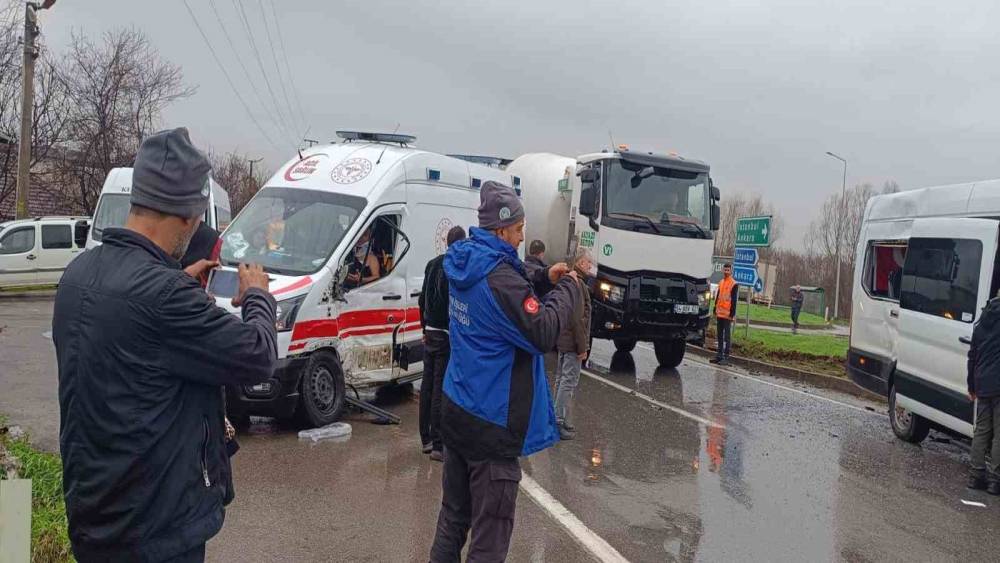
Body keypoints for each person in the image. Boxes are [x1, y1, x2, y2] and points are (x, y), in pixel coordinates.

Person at [52, 128, 278, 563]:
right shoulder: (164, 297)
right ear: (187, 215)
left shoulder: (78, 276)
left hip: (95, 518)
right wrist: (257, 295)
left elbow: (136, 345)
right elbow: (258, 355)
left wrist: (179, 283)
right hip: (156, 533)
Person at [430, 181, 579, 562]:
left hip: (457, 409)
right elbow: (543, 332)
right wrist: (569, 291)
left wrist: (544, 278)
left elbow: (506, 274)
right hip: (491, 426)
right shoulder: (501, 280)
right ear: (500, 230)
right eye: (517, 230)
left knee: (452, 519)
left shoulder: (465, 259)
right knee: (489, 537)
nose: (521, 237)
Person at [419, 225, 467, 462]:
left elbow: (421, 299)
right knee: (439, 388)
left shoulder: (431, 264)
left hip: (429, 331)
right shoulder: (453, 268)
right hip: (445, 334)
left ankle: (425, 438)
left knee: (426, 387)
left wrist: (423, 327)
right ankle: (439, 445)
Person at [553, 247, 593, 440]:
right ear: (580, 262)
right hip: (571, 342)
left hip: (563, 339)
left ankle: (558, 419)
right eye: (588, 262)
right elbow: (578, 319)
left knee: (561, 379)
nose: (590, 266)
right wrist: (582, 347)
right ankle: (558, 421)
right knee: (568, 382)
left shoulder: (570, 280)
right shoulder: (579, 284)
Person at [967, 298, 1000, 494]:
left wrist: (972, 386)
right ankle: (996, 481)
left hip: (982, 383)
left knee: (981, 430)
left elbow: (972, 356)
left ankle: (976, 476)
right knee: (999, 434)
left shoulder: (981, 325)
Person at [711, 263, 739, 365]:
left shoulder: (733, 284)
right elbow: (718, 297)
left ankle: (726, 357)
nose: (726, 272)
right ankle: (719, 355)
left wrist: (732, 314)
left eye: (728, 270)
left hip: (727, 314)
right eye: (725, 270)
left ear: (731, 271)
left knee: (727, 337)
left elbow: (734, 300)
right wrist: (714, 308)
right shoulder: (721, 282)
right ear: (723, 270)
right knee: (719, 336)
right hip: (720, 313)